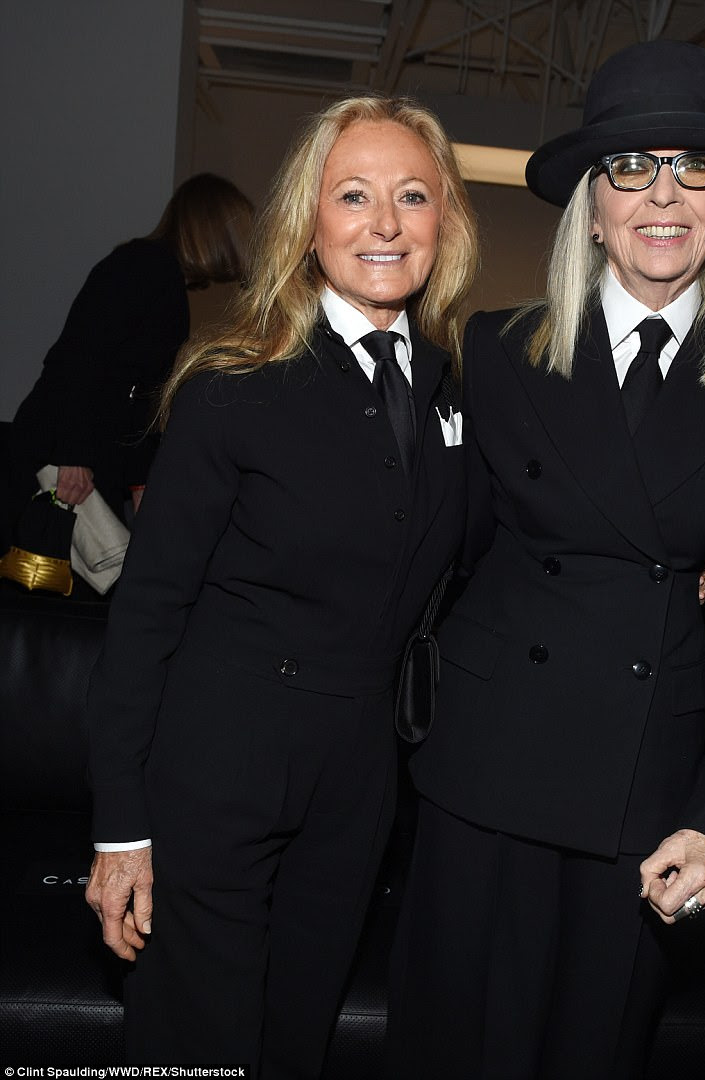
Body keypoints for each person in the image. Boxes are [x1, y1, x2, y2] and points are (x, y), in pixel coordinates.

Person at [387, 40, 705, 1079]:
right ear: (590, 201)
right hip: (485, 768)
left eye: (693, 167)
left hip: (646, 797)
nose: (661, 195)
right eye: (631, 167)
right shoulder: (495, 350)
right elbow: (436, 560)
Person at [83, 96, 478, 1074]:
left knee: (294, 1040)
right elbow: (146, 612)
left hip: (357, 787)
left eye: (411, 196)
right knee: (195, 1045)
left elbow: (500, 547)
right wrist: (120, 830)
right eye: (353, 195)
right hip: (217, 769)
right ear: (309, 223)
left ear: (443, 225)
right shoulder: (231, 385)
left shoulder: (457, 393)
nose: (384, 223)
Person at [8, 174, 253, 527]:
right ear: (213, 230)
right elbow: (79, 358)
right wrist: (72, 457)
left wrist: (139, 479)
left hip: (92, 454)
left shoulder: (162, 275)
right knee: (44, 574)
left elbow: (140, 395)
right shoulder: (141, 266)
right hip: (62, 456)